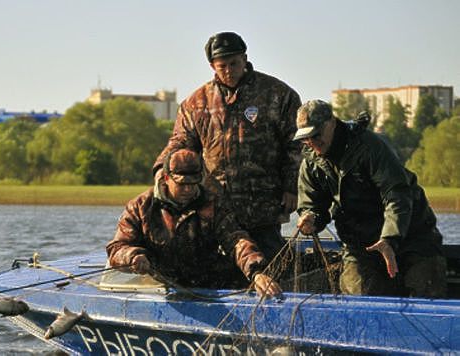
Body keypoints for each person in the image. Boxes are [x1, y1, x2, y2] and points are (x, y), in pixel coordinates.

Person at [153, 32, 302, 263]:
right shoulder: (196, 103)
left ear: (244, 58)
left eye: (234, 63)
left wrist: (291, 187)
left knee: (269, 266)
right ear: (212, 65)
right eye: (222, 65)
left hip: (263, 203)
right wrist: (161, 171)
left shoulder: (278, 94)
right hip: (215, 205)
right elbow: (181, 143)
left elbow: (296, 144)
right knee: (215, 268)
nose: (229, 70)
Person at [294, 100, 447, 297]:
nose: (312, 143)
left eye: (316, 135)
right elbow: (312, 203)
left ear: (331, 123)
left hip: (412, 233)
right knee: (356, 294)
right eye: (306, 138)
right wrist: (310, 218)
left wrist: (389, 239)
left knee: (425, 288)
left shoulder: (369, 147)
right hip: (360, 243)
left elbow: (396, 194)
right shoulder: (311, 162)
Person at [107, 148, 281, 298]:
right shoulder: (140, 206)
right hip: (162, 284)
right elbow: (117, 247)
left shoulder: (212, 203)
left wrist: (256, 272)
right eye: (182, 184)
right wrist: (133, 256)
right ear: (166, 178)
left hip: (209, 281)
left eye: (193, 183)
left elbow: (236, 240)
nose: (189, 190)